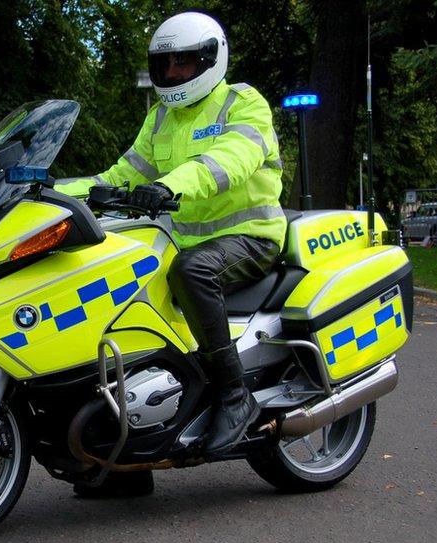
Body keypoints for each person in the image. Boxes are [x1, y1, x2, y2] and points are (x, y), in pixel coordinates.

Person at [58, 11, 286, 497]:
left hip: (251, 235)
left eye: (185, 63)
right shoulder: (161, 116)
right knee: (114, 288)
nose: (175, 74)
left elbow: (228, 162)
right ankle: (125, 454)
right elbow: (120, 175)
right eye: (167, 65)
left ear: (210, 59)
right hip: (181, 237)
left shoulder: (242, 103)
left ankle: (234, 393)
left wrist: (166, 187)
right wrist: (53, 192)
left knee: (193, 271)